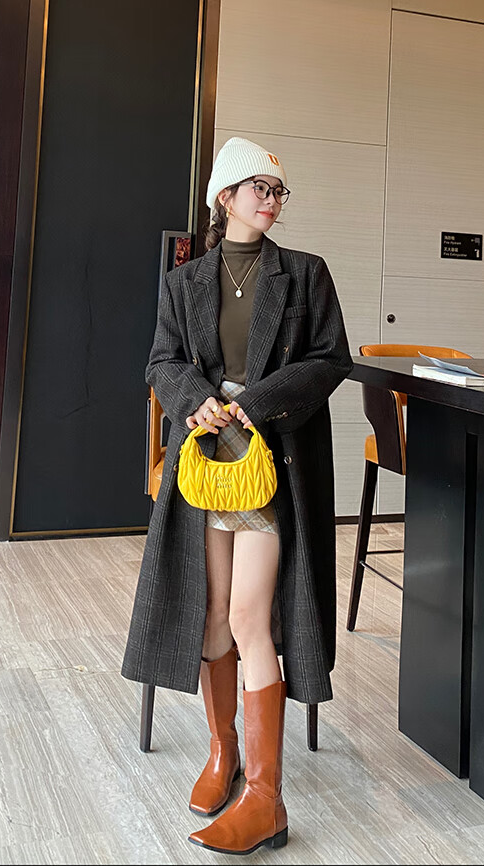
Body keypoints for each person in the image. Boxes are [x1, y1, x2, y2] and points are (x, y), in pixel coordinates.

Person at [121, 136, 352, 855]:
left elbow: (330, 361)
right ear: (226, 197)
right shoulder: (184, 281)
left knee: (251, 616)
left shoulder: (305, 274)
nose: (273, 200)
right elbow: (162, 360)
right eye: (261, 188)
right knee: (213, 616)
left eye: (279, 191)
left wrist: (255, 403)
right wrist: (193, 398)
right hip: (205, 467)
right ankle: (224, 754)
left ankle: (266, 797)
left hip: (270, 465)